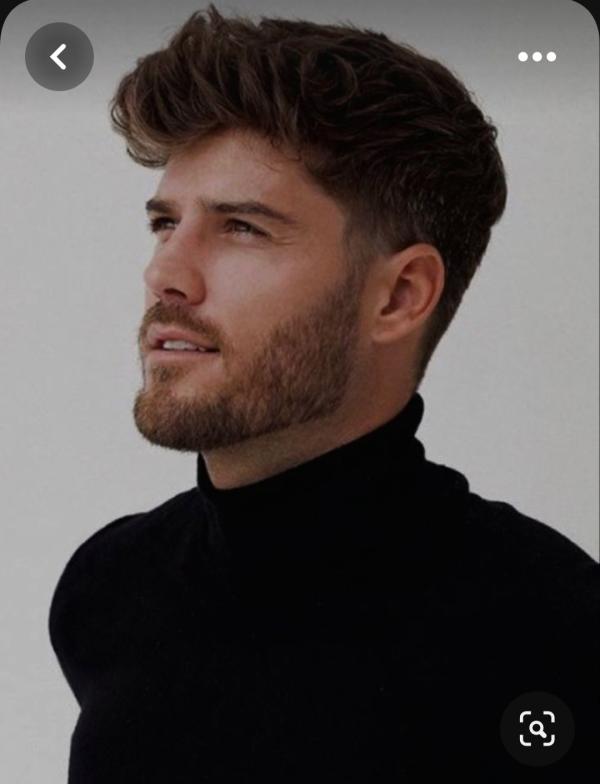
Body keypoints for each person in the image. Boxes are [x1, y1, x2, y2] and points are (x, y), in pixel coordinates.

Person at [48, 5, 599, 782]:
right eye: (164, 223)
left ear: (399, 295)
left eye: (241, 227)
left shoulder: (555, 632)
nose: (164, 272)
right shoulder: (109, 590)